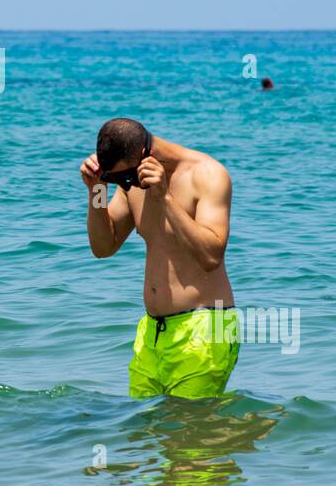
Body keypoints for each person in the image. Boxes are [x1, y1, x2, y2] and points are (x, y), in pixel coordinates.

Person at [80, 118, 239, 398]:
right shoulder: (131, 183)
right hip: (152, 333)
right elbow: (103, 248)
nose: (124, 186)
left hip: (204, 330)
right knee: (144, 434)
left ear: (145, 156)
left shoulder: (208, 175)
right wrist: (96, 190)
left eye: (123, 179)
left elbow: (211, 256)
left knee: (190, 435)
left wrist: (164, 197)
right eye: (112, 179)